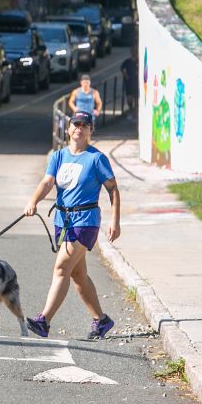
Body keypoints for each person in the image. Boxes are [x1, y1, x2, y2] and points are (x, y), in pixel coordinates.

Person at [22, 110, 121, 340]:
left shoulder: (97, 159)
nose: (79, 127)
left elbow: (113, 189)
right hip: (62, 221)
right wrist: (33, 201)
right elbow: (48, 182)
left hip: (85, 221)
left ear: (90, 131)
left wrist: (115, 221)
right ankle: (102, 320)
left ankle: (44, 320)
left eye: (85, 125)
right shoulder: (58, 157)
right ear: (68, 129)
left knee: (61, 268)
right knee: (77, 275)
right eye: (75, 124)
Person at [120, 50, 138, 116]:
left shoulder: (138, 62)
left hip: (136, 83)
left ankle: (135, 112)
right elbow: (122, 68)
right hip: (129, 83)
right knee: (129, 98)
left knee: (136, 98)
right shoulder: (127, 61)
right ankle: (131, 110)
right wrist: (125, 75)